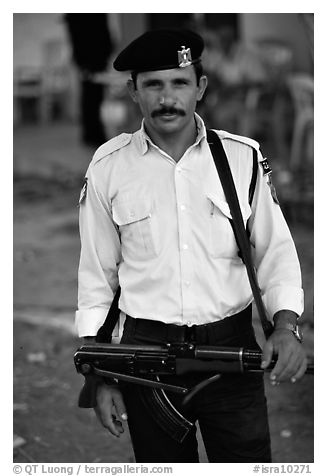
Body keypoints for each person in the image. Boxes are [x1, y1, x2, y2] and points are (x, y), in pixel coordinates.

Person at [75, 29, 307, 463]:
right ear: (133, 91)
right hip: (144, 356)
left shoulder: (241, 160)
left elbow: (275, 254)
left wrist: (285, 327)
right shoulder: (109, 167)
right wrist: (100, 375)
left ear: (200, 87)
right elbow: (97, 278)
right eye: (153, 84)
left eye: (179, 82)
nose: (167, 98)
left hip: (229, 351)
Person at [64, 13, 113, 147]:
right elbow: (83, 35)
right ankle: (93, 134)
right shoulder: (83, 16)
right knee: (91, 97)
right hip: (91, 57)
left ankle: (92, 134)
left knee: (92, 96)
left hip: (92, 57)